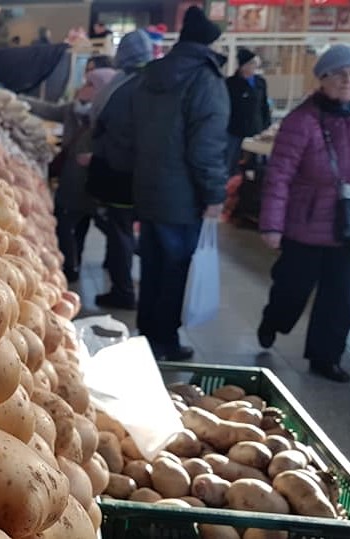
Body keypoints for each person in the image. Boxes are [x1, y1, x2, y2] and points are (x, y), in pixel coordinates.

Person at [258, 44, 350, 383]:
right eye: (339, 73)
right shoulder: (301, 121)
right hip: (305, 225)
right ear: (322, 79)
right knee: (291, 290)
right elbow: (279, 176)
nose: (347, 80)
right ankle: (274, 320)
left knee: (340, 297)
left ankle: (326, 357)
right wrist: (271, 225)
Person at [129, 6, 230, 361]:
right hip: (183, 193)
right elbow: (206, 146)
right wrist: (214, 193)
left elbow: (132, 130)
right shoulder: (205, 79)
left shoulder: (151, 74)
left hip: (148, 185)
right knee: (175, 268)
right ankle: (165, 340)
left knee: (153, 262)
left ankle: (147, 333)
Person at [24, 58, 116, 282]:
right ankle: (70, 267)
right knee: (68, 222)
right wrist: (15, 98)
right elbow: (47, 110)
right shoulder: (73, 110)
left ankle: (76, 266)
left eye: (89, 84)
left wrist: (96, 158)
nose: (82, 87)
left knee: (78, 223)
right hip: (72, 179)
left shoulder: (110, 115)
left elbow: (120, 146)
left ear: (102, 90)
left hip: (94, 180)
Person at [83, 29, 155, 310]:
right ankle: (131, 287)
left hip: (121, 173)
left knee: (120, 231)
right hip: (145, 172)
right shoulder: (152, 83)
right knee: (127, 231)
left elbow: (106, 125)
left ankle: (123, 291)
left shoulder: (124, 85)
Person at [226, 48, 271, 176]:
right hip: (235, 130)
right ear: (242, 66)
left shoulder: (260, 82)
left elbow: (264, 105)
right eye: (250, 63)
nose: (253, 67)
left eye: (254, 63)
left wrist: (266, 125)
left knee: (256, 163)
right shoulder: (231, 84)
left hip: (256, 128)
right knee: (233, 162)